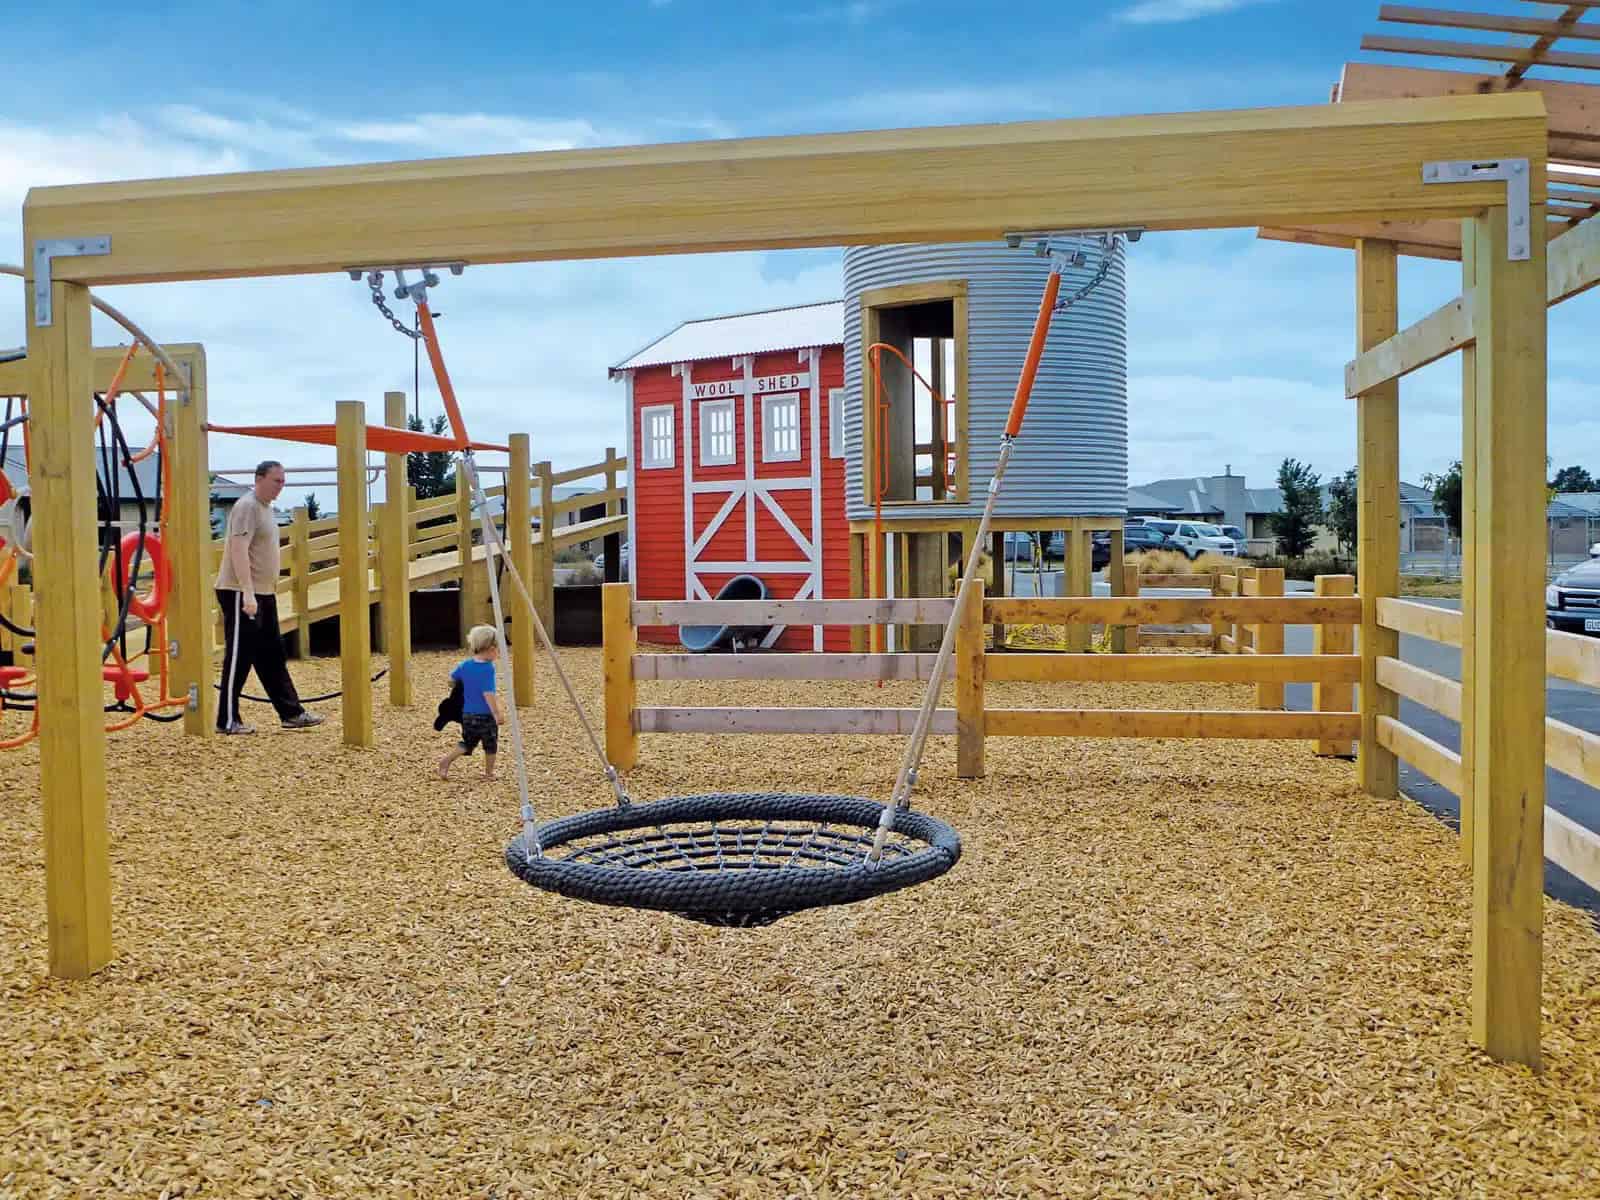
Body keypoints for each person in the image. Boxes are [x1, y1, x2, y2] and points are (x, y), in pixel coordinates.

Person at [215, 460, 325, 734]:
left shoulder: (266, 509)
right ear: (259, 478)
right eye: (276, 481)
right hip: (241, 592)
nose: (280, 486)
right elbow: (238, 548)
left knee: (272, 655)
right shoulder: (247, 507)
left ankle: (291, 713)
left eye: (283, 481)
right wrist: (248, 593)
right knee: (239, 656)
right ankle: (227, 720)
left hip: (263, 592)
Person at [437, 625, 505, 781]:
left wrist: (460, 685)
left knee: (467, 743)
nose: (498, 653)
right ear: (491, 649)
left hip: (468, 714)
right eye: (498, 649)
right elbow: (488, 693)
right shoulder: (488, 669)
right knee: (490, 744)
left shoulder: (465, 665)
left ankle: (446, 760)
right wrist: (497, 713)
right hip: (485, 715)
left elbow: (451, 680)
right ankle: (489, 773)